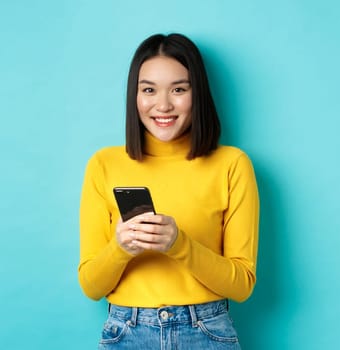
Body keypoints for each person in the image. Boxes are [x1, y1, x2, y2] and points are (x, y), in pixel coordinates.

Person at [78, 33, 259, 350]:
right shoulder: (103, 164)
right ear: (135, 96)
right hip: (126, 332)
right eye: (149, 89)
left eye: (179, 89)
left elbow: (242, 285)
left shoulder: (232, 164)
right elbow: (91, 286)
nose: (163, 105)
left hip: (207, 332)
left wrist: (179, 244)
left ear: (197, 94)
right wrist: (121, 247)